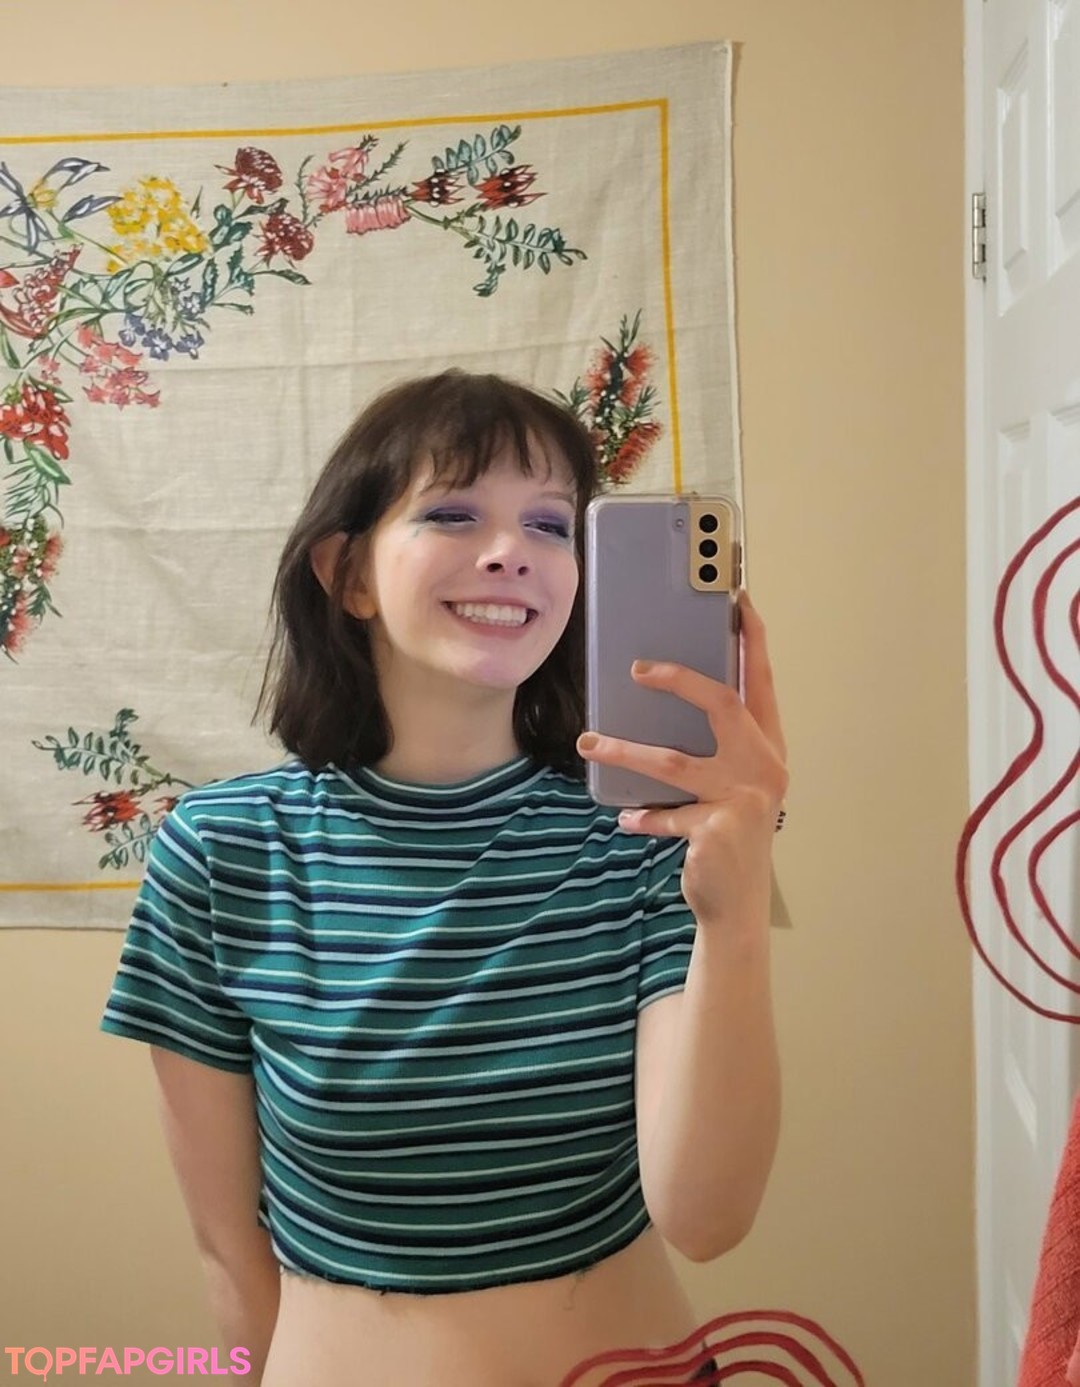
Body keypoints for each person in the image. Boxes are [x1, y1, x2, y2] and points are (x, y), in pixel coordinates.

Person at [101, 370, 787, 1387]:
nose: (511, 551)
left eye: (550, 525)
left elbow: (707, 1219)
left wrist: (737, 904)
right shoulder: (221, 851)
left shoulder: (642, 831)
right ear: (348, 573)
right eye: (454, 513)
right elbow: (228, 1250)